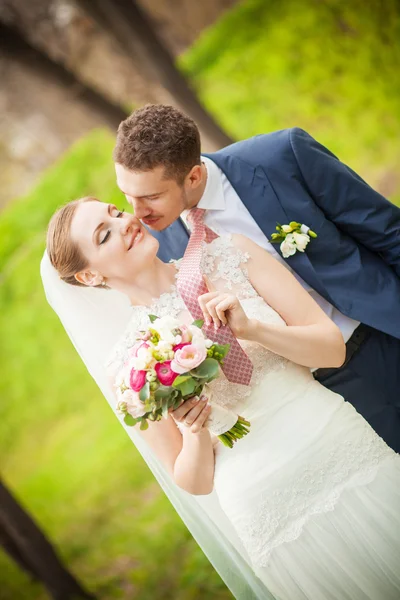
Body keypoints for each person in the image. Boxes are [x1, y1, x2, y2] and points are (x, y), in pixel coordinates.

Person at [45, 196, 400, 600]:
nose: (125, 221)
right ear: (90, 276)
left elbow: (331, 350)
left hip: (340, 446)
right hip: (266, 506)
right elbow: (193, 482)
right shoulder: (130, 365)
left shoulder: (232, 256)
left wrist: (254, 330)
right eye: (104, 234)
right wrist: (194, 431)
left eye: (115, 211)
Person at [113, 104, 400, 453]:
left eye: (151, 197)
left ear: (193, 177)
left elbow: (388, 233)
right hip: (317, 396)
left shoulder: (282, 157)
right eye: (128, 196)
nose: (138, 214)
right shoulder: (161, 242)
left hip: (381, 333)